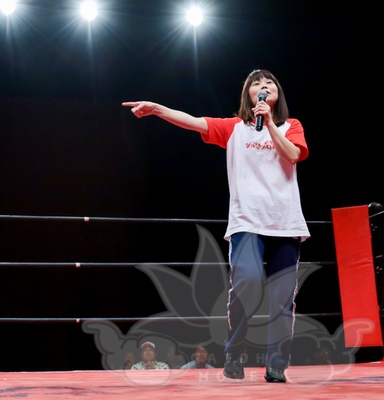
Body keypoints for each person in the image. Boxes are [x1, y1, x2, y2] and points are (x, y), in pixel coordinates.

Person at [123, 69, 310, 384]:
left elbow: (292, 155)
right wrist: (157, 109)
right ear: (248, 94)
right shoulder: (233, 128)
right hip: (247, 222)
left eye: (269, 83)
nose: (263, 86)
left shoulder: (291, 126)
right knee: (247, 282)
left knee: (281, 298)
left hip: (285, 223)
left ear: (276, 93)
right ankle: (234, 351)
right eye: (256, 84)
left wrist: (270, 125)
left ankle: (276, 364)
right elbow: (193, 121)